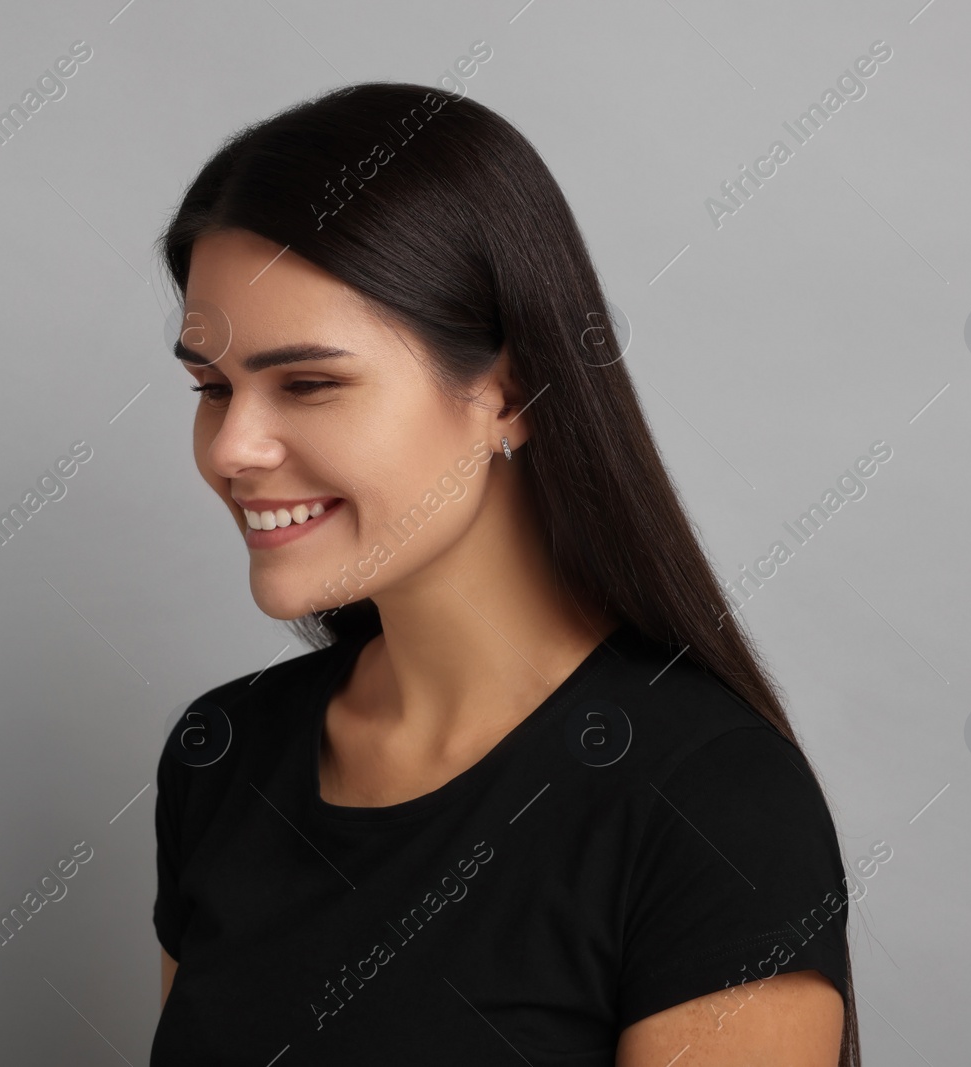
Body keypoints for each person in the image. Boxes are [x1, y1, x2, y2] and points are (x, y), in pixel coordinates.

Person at [150, 81, 860, 1066]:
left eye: (308, 383)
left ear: (510, 391)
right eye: (210, 388)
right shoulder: (221, 755)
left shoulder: (710, 801)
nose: (232, 447)